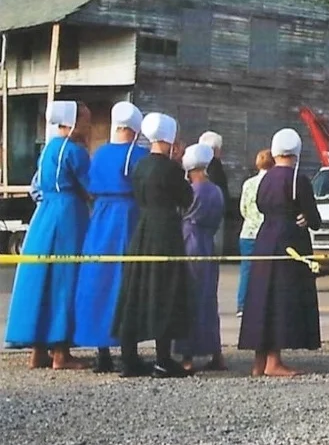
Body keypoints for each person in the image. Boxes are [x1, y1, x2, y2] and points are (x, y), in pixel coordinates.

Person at [6, 100, 91, 370]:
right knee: (64, 277)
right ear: (73, 122)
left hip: (44, 215)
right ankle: (61, 352)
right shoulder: (76, 152)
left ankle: (37, 350)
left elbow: (37, 186)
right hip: (69, 215)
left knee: (41, 276)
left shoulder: (47, 149)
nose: (89, 125)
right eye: (86, 119)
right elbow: (90, 187)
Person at [112, 112, 194, 379]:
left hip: (143, 226)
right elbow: (186, 197)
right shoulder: (171, 168)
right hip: (165, 230)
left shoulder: (140, 165)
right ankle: (162, 359)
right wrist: (181, 167)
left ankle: (129, 358)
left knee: (135, 288)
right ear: (171, 140)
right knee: (165, 289)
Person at [238, 127, 322, 378]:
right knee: (280, 300)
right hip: (289, 241)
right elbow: (314, 218)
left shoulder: (265, 178)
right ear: (296, 151)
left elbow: (261, 206)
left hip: (265, 238)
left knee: (261, 298)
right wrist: (307, 219)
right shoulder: (298, 179)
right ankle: (274, 362)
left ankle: (259, 361)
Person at [73, 101, 144, 373]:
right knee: (126, 281)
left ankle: (102, 352)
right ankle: (129, 351)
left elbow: (89, 184)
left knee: (99, 280)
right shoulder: (138, 156)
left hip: (101, 218)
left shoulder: (100, 153)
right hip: (128, 217)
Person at [178, 142, 226, 373]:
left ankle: (187, 356)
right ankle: (216, 352)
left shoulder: (192, 191)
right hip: (209, 243)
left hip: (190, 241)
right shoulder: (216, 190)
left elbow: (182, 213)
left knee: (189, 298)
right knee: (209, 299)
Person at [236, 149, 272, 318]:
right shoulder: (272, 182)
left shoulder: (248, 183)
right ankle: (262, 305)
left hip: (247, 232)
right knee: (266, 271)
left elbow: (243, 208)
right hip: (265, 233)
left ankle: (242, 305)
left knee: (246, 271)